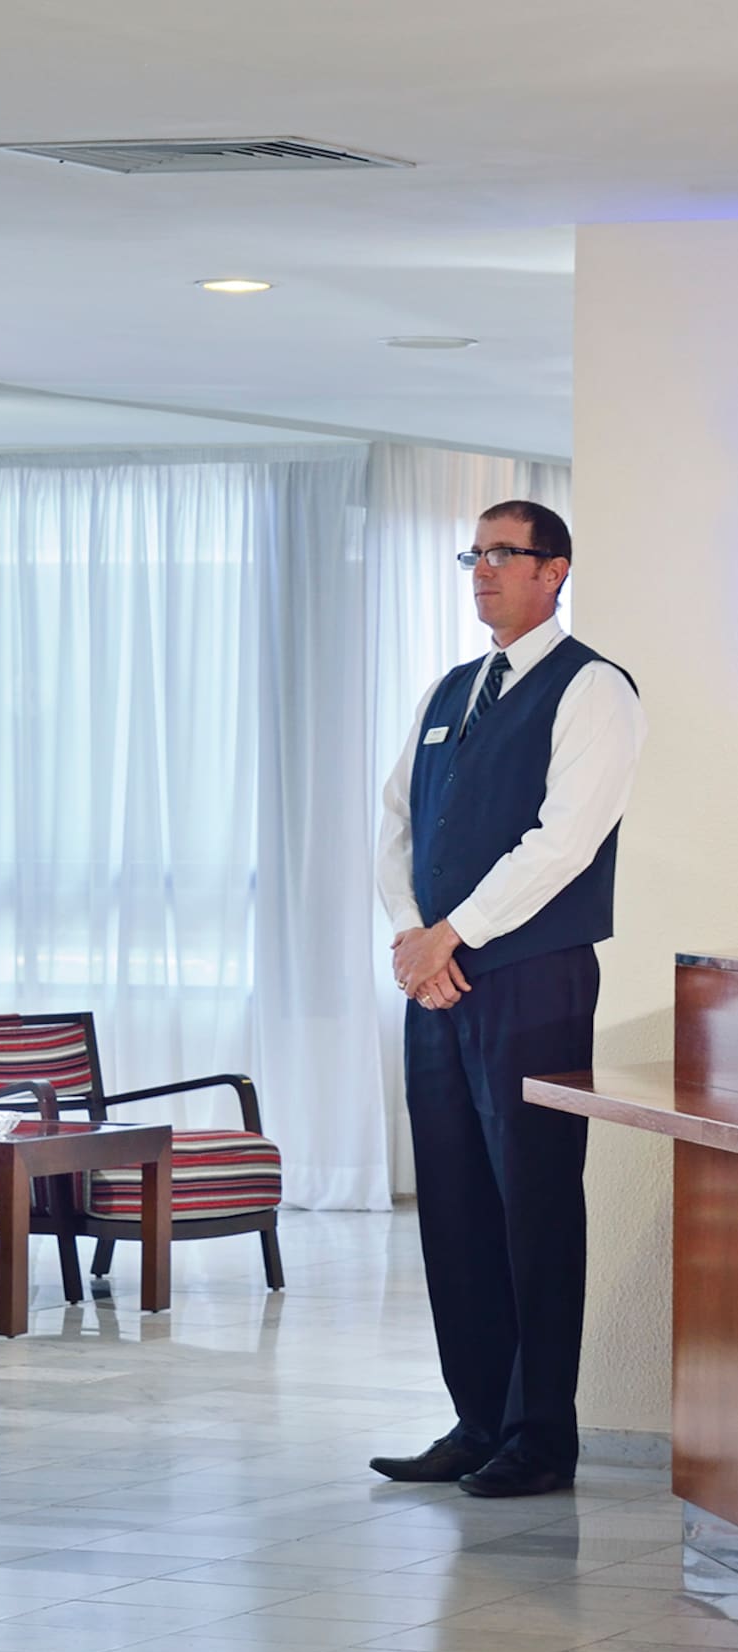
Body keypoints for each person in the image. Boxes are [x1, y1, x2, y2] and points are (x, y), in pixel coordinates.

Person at [371, 501, 645, 1497]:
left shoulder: (594, 689)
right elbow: (397, 817)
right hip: (437, 981)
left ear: (555, 569)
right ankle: (478, 1416)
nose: (483, 569)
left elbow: (564, 839)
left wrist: (454, 932)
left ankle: (541, 1434)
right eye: (473, 554)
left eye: (503, 553)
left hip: (532, 976)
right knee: (453, 1199)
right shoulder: (452, 689)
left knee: (532, 1198)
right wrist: (414, 933)